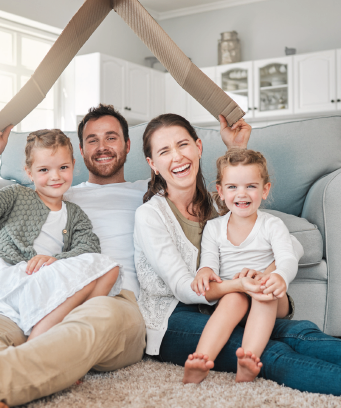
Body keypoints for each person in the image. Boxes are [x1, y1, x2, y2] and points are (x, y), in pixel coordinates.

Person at [134, 112, 341, 396]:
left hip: (232, 302)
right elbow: (184, 288)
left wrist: (265, 275)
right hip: (174, 317)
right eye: (164, 151)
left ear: (198, 147)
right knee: (268, 351)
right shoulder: (150, 215)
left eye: (183, 145)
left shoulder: (216, 207)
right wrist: (239, 285)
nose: (177, 157)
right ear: (153, 164)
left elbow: (286, 242)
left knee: (301, 332)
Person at [0, 105, 147, 407]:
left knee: (97, 316)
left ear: (127, 145)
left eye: (111, 138)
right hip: (35, 290)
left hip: (110, 300)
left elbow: (226, 197)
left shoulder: (149, 191)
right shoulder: (47, 192)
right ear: (82, 152)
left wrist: (236, 150)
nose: (101, 147)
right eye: (92, 140)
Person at [0, 121, 121, 341]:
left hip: (41, 283)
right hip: (7, 280)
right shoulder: (17, 196)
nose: (55, 176)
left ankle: (52, 335)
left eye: (63, 167)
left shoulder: (74, 214)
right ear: (29, 172)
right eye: (44, 170)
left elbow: (89, 248)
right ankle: (41, 340)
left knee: (108, 267)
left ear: (73, 165)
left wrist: (55, 259)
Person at [184, 148, 300, 384]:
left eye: (251, 186)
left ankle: (248, 360)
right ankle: (201, 360)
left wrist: (279, 277)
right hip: (235, 299)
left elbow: (287, 258)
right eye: (233, 187)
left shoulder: (272, 225)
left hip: (272, 299)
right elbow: (208, 264)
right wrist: (204, 271)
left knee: (262, 291)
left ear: (265, 190)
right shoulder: (214, 227)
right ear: (220, 191)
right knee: (233, 296)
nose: (242, 194)